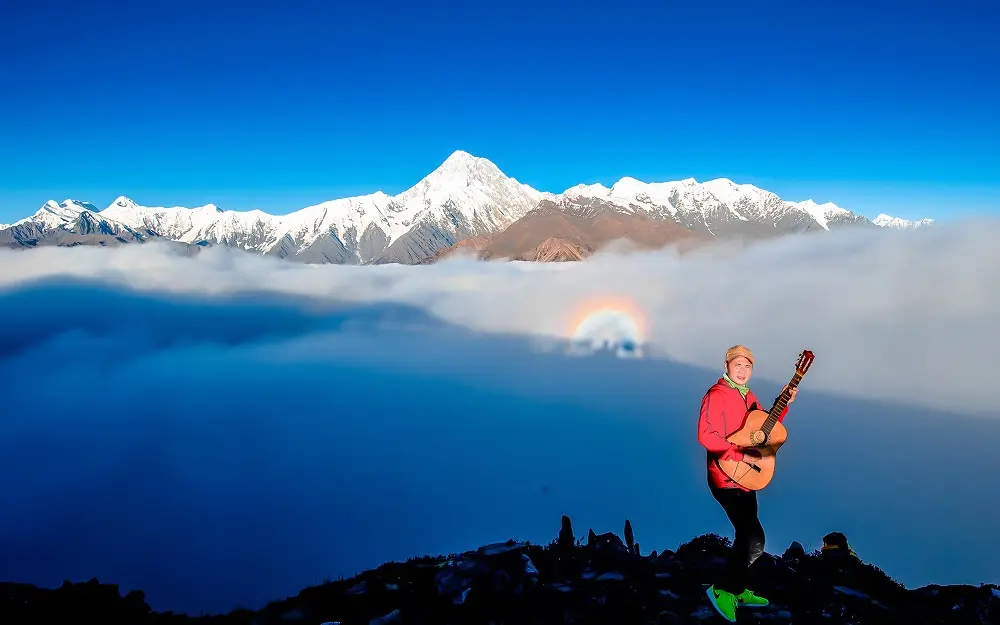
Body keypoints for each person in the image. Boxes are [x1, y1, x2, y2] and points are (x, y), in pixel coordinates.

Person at [697, 344, 798, 622]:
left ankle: (738, 588)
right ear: (727, 366)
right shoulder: (716, 395)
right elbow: (706, 435)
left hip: (747, 477)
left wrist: (784, 404)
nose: (742, 371)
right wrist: (736, 453)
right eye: (737, 365)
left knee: (749, 536)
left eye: (748, 366)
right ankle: (722, 590)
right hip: (725, 475)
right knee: (753, 537)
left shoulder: (748, 396)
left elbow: (764, 429)